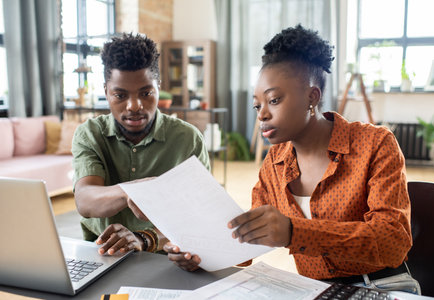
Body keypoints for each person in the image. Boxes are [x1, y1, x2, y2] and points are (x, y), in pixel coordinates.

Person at [166, 24, 420, 293]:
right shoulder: (274, 164)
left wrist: (295, 232)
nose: (262, 114)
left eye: (274, 100)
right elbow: (249, 243)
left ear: (312, 97)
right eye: (257, 105)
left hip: (383, 286)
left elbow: (393, 242)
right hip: (316, 291)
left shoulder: (375, 143)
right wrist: (198, 255)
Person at [72, 33, 210, 256]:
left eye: (146, 93)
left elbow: (197, 215)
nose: (135, 106)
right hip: (102, 254)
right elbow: (85, 200)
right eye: (120, 95)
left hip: (169, 257)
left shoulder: (188, 139)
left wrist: (146, 239)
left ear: (158, 88)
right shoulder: (90, 134)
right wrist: (131, 191)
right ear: (106, 91)